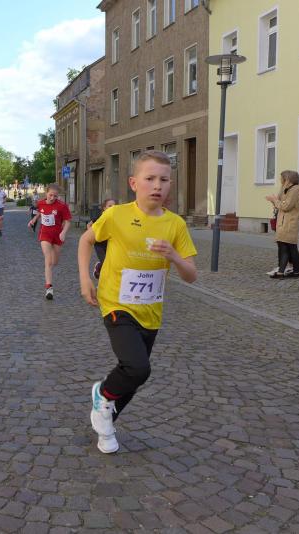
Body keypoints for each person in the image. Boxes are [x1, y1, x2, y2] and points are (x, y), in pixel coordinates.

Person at [78, 150, 197, 454]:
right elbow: (86, 240)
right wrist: (85, 278)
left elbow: (191, 275)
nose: (157, 185)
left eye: (164, 180)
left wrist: (173, 256)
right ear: (134, 183)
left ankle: (105, 423)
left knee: (134, 374)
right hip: (116, 303)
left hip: (150, 310)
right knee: (138, 367)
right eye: (150, 179)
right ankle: (102, 394)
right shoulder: (116, 215)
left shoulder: (175, 225)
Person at [28, 183, 71, 300]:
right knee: (48, 260)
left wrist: (63, 233)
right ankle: (49, 288)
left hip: (57, 235)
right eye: (50, 195)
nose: (52, 198)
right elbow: (40, 212)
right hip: (45, 234)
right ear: (46, 193)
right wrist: (33, 220)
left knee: (54, 262)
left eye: (55, 196)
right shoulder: (41, 203)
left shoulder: (62, 206)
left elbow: (68, 221)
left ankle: (52, 260)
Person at [265, 170, 299, 279]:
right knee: (290, 247)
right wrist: (275, 198)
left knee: (286, 247)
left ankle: (281, 272)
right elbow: (281, 201)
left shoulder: (294, 191)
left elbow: (285, 206)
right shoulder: (289, 190)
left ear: (288, 179)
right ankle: (294, 272)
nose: (281, 181)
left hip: (289, 223)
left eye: (282, 179)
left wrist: (274, 200)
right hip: (285, 222)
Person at [91, 198, 117, 279]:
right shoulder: (100, 217)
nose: (112, 207)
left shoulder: (116, 218)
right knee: (105, 262)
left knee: (111, 262)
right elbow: (89, 225)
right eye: (110, 206)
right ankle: (100, 270)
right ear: (104, 208)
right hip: (99, 244)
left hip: (109, 244)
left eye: (114, 206)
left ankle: (100, 267)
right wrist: (92, 236)